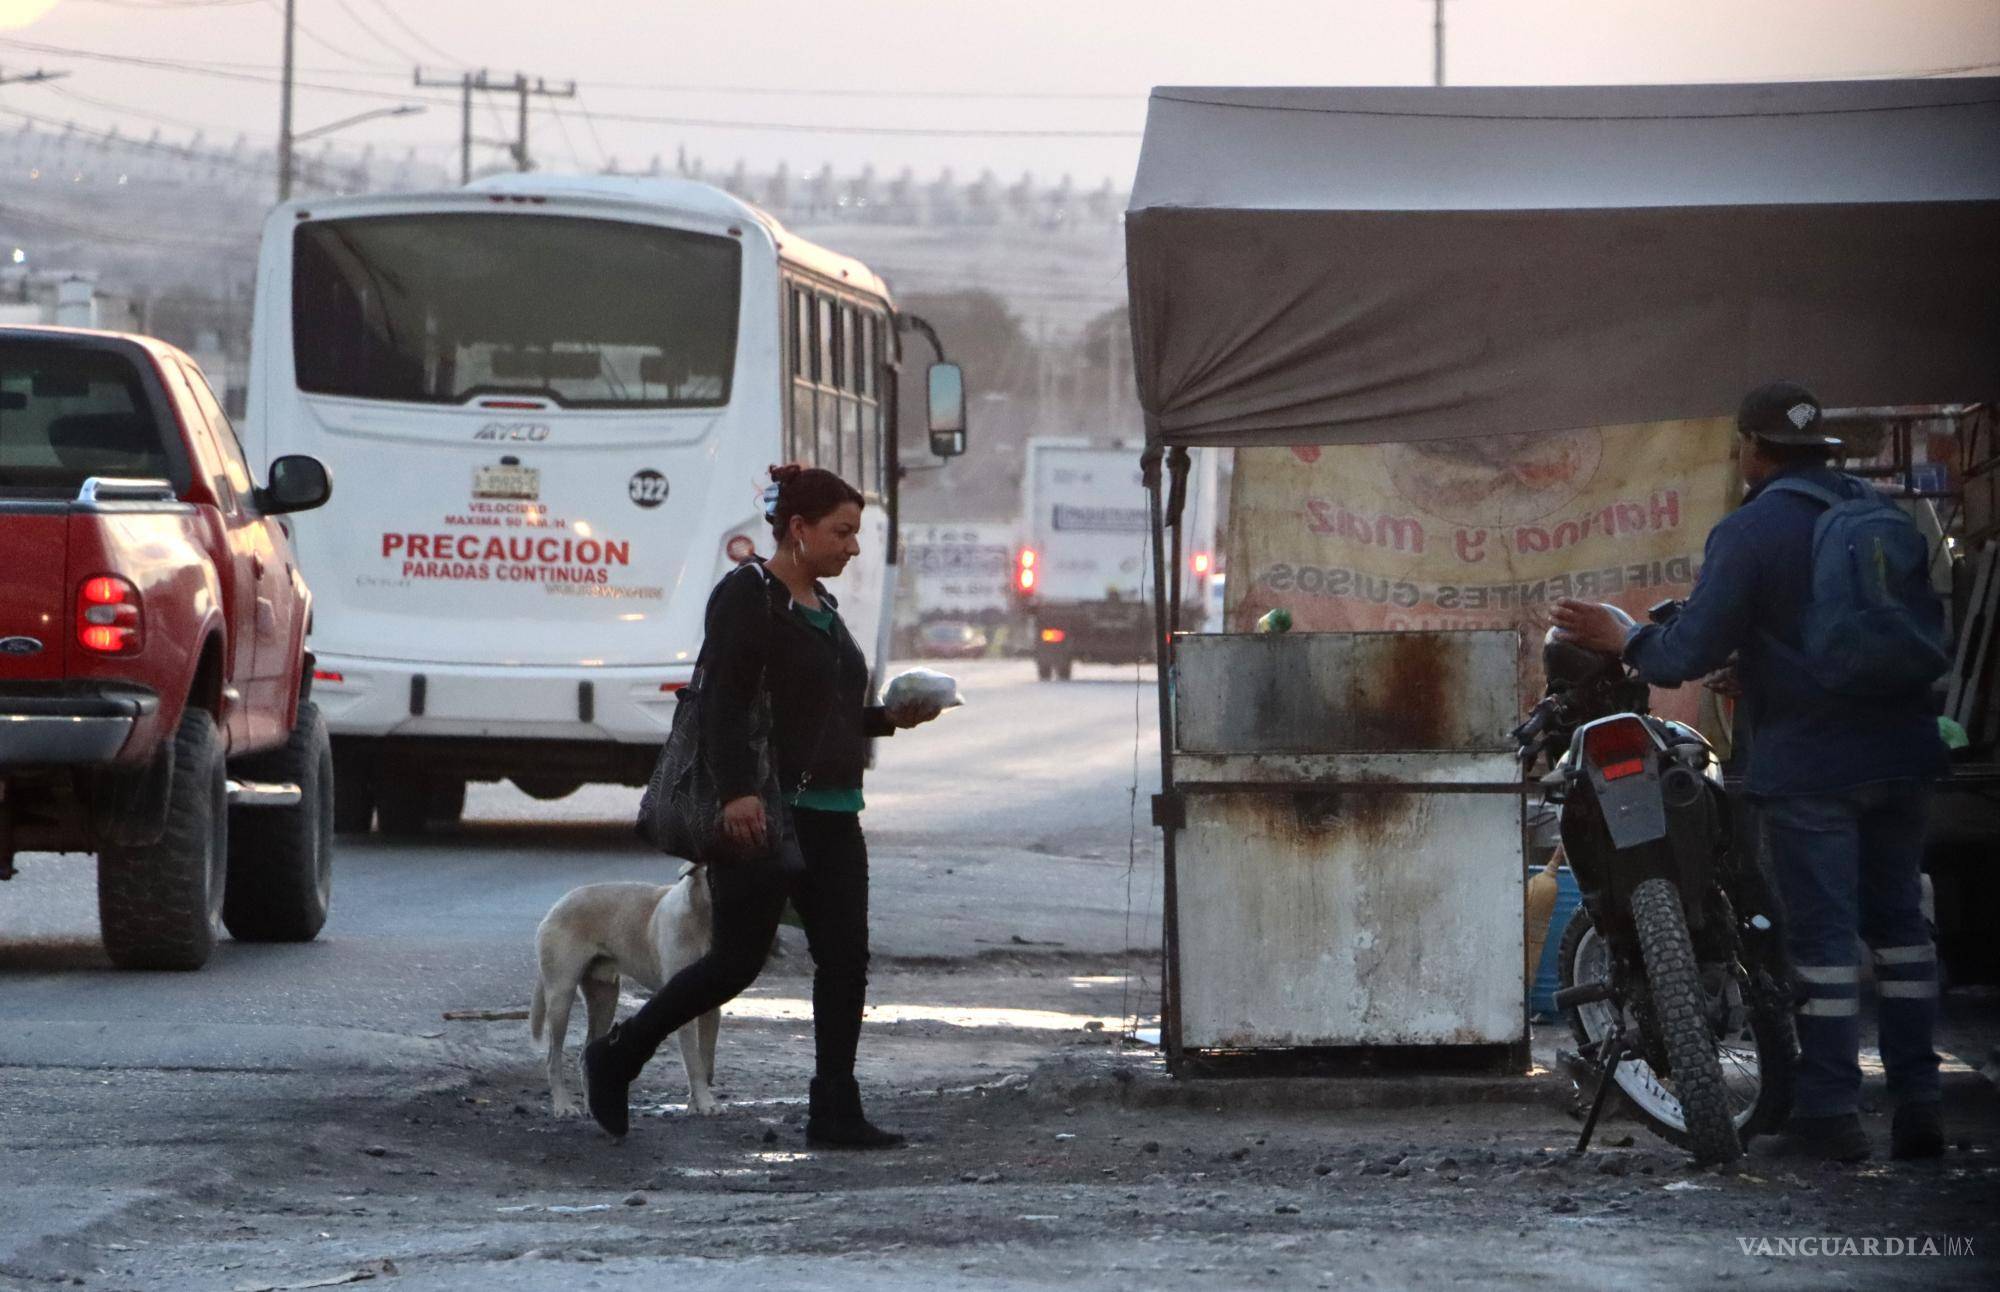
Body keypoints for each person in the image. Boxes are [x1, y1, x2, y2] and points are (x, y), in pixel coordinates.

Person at [1551, 380, 1949, 1164]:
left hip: (1812, 766)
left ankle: (1832, 1113)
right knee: (1903, 933)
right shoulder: (1881, 517)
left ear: (1751, 452)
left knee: (1824, 943)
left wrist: (1625, 634)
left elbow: (1682, 653)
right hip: (1904, 750)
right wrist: (1758, 669)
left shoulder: (1752, 530)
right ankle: (1920, 1106)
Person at [583, 464, 941, 1147]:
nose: (853, 547)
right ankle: (619, 1053)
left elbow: (817, 718)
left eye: (856, 533)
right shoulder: (747, 596)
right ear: (798, 529)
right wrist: (737, 792)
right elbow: (722, 700)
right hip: (769, 811)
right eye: (842, 532)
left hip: (835, 809)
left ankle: (834, 1108)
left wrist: (892, 718)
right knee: (736, 961)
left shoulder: (824, 608)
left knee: (845, 959)